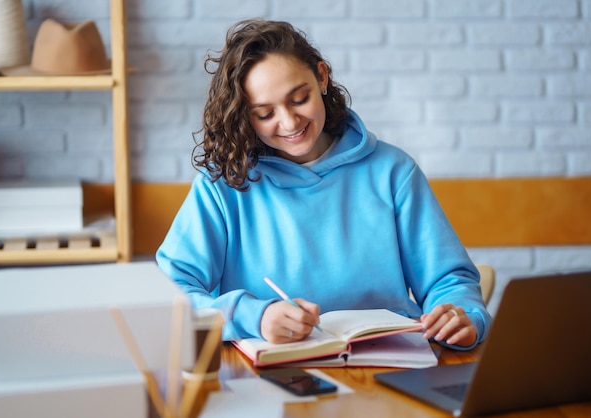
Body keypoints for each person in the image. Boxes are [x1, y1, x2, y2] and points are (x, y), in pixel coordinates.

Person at [156, 18, 492, 350]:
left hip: (391, 369)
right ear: (244, 115)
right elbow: (170, 293)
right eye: (264, 113)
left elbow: (449, 282)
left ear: (321, 77)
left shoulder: (393, 171)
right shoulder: (222, 185)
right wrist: (253, 316)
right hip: (271, 375)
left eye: (299, 98)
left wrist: (463, 316)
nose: (288, 122)